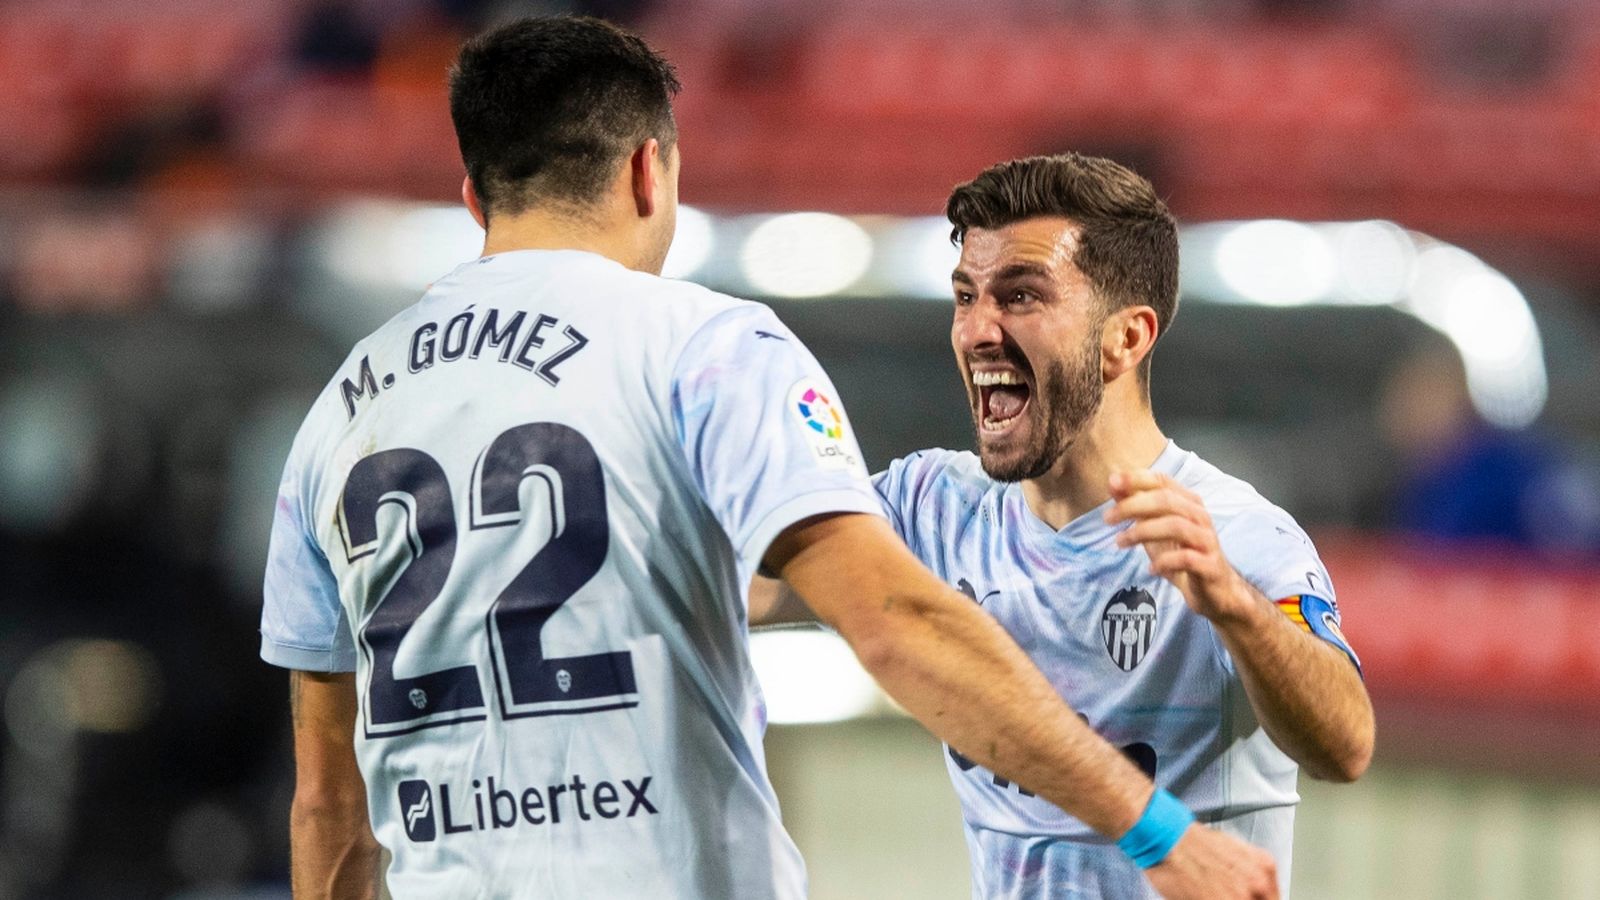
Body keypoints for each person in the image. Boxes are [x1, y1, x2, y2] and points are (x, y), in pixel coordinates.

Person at [260, 18, 1278, 900]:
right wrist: (1159, 831)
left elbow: (327, 805)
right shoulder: (706, 351)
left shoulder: (342, 408)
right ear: (645, 170)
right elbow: (894, 621)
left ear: (475, 195)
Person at [754, 153, 1375, 898]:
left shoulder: (1233, 536)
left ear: (1127, 338)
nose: (978, 331)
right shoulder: (928, 508)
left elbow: (1346, 746)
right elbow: (751, 586)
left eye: (1020, 295)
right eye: (965, 296)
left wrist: (1234, 605)